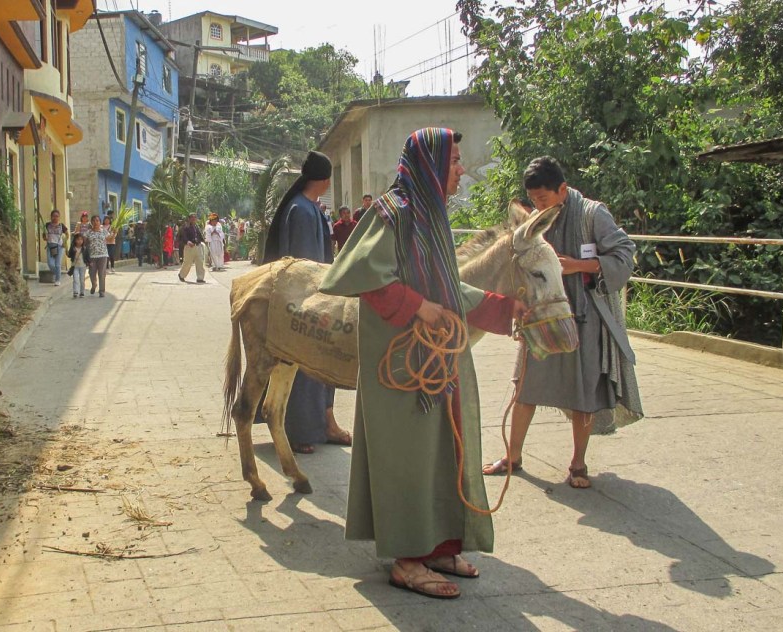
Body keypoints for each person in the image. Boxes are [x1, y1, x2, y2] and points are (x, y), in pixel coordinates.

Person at [320, 128, 522, 599]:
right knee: (408, 460)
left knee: (442, 452)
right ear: (430, 165)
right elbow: (364, 277)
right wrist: (418, 307)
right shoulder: (393, 212)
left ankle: (438, 546)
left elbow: (449, 290)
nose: (461, 170)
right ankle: (408, 562)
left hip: (435, 360)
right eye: (453, 161)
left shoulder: (431, 217)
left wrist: (506, 309)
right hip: (402, 366)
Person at [482, 156, 642, 489]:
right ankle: (512, 456)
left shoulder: (592, 214)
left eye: (543, 199)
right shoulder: (534, 221)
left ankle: (578, 465)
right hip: (541, 314)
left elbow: (625, 253)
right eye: (533, 200)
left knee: (582, 390)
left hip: (584, 316)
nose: (537, 205)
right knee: (525, 386)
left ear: (563, 189)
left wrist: (579, 265)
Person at [263, 150, 351, 453]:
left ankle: (325, 422)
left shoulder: (310, 207)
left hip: (321, 295)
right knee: (302, 367)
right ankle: (299, 431)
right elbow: (302, 264)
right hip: (304, 300)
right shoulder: (300, 210)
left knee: (326, 362)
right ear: (325, 181)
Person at [85, 214, 112, 297]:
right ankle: (94, 284)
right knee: (91, 273)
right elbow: (84, 243)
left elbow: (109, 239)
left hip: (103, 255)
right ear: (91, 222)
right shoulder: (88, 232)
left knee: (102, 273)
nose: (95, 222)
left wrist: (114, 233)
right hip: (92, 256)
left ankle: (102, 291)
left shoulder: (103, 231)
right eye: (93, 220)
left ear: (100, 222)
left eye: (97, 220)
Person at [178, 213, 206, 283]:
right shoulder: (185, 226)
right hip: (189, 247)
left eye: (195, 218)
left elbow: (200, 235)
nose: (194, 219)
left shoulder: (197, 226)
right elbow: (183, 236)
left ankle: (200, 278)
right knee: (187, 263)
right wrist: (187, 242)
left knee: (200, 262)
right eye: (192, 218)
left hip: (198, 246)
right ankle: (181, 275)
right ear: (189, 219)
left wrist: (203, 240)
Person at [43, 209, 68, 287]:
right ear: (51, 217)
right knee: (50, 264)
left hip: (59, 246)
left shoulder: (62, 226)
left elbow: (67, 235)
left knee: (57, 264)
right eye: (53, 216)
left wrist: (64, 241)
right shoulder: (47, 225)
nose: (55, 218)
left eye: (57, 216)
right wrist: (45, 237)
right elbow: (44, 235)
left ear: (59, 217)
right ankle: (57, 273)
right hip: (50, 246)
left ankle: (57, 280)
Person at [68, 233, 89, 298]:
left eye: (81, 239)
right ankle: (75, 291)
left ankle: (82, 292)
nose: (79, 241)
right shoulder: (73, 248)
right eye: (78, 239)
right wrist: (71, 252)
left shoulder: (84, 248)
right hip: (75, 266)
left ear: (83, 241)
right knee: (75, 279)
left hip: (83, 266)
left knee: (82, 280)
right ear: (75, 240)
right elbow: (69, 255)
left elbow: (87, 256)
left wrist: (89, 262)